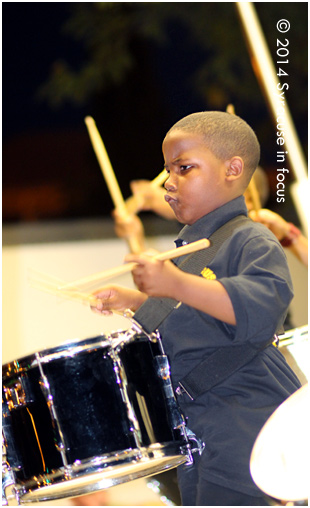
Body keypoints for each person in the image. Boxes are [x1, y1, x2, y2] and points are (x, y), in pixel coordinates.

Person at [92, 111, 301, 506]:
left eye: (184, 168)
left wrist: (174, 283)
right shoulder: (191, 250)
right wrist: (136, 302)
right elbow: (190, 316)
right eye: (168, 170)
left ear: (232, 169)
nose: (169, 183)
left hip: (247, 420)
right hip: (198, 427)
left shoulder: (250, 238)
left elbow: (258, 310)